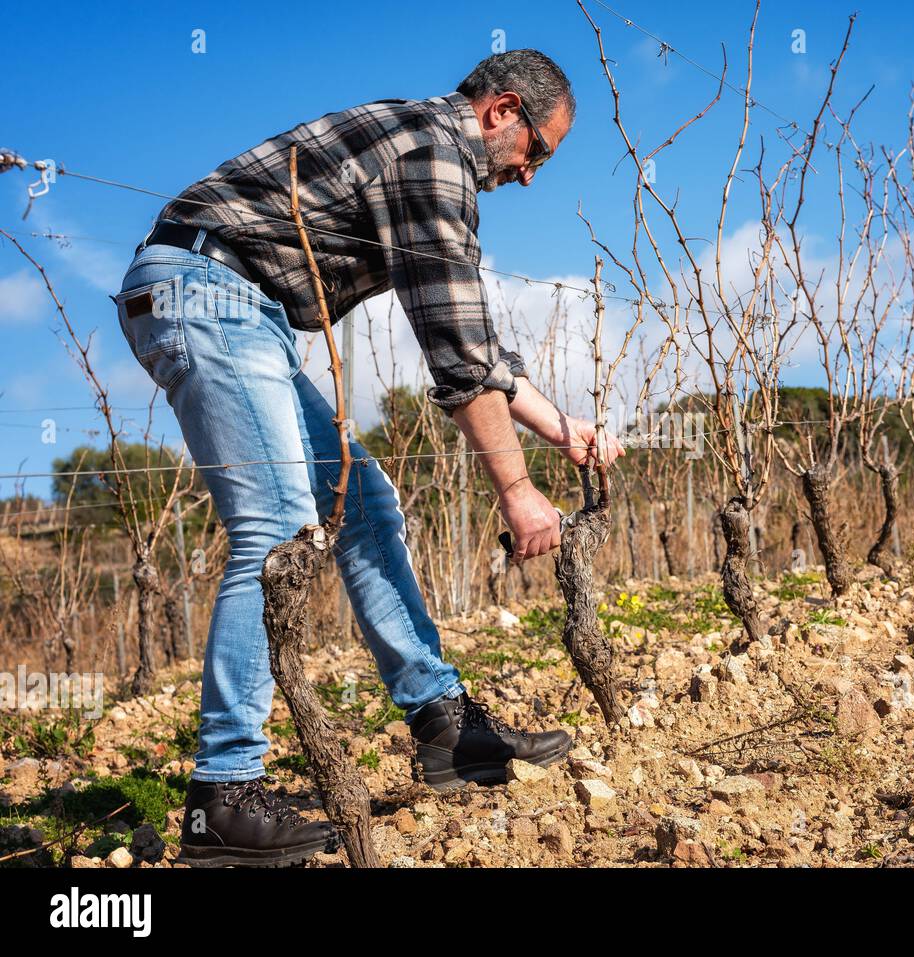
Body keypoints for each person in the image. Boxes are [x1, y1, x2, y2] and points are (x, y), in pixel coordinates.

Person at [110, 49, 623, 867]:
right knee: (277, 531)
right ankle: (221, 797)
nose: (531, 176)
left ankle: (443, 726)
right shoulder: (433, 158)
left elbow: (476, 343)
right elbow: (457, 356)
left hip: (242, 305)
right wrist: (518, 490)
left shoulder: (432, 154)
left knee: (368, 504)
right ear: (502, 111)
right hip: (205, 291)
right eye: (540, 152)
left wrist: (560, 427)